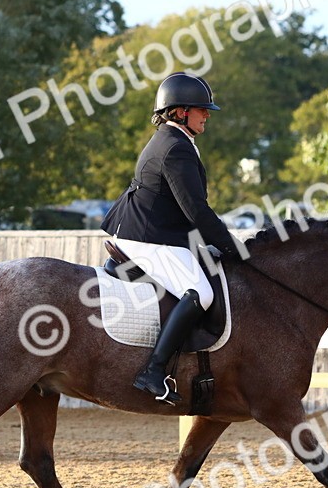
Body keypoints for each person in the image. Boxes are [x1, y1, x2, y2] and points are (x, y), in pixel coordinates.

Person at [100, 71, 245, 404]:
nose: (207, 114)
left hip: (157, 231)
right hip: (148, 237)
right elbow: (196, 210)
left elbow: (184, 211)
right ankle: (153, 371)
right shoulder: (175, 148)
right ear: (181, 112)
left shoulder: (175, 140)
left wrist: (208, 244)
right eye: (201, 109)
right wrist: (230, 247)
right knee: (200, 293)